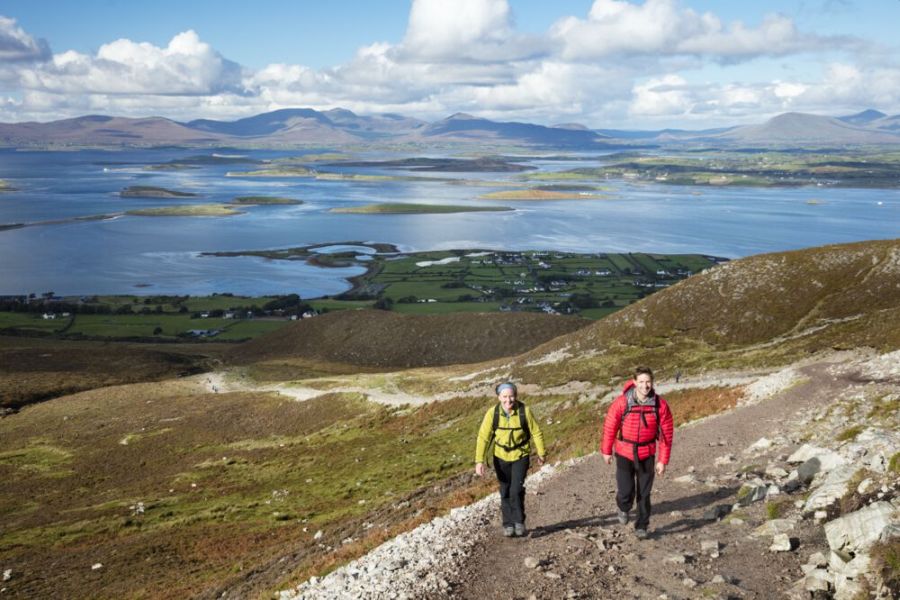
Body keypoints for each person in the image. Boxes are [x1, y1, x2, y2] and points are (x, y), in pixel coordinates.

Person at [601, 366, 674, 540]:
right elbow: (610, 427)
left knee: (644, 493)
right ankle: (623, 507)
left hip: (647, 454)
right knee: (625, 492)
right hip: (624, 452)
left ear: (652, 382)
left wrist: (662, 461)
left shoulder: (660, 405)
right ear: (634, 382)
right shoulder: (622, 402)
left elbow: (666, 435)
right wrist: (606, 450)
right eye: (641, 381)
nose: (645, 385)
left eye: (648, 381)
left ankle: (642, 525)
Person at [475, 382, 546, 537]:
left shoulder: (524, 411)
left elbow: (536, 432)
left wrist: (541, 453)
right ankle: (508, 524)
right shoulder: (492, 413)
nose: (509, 400)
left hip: (520, 456)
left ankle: (519, 521)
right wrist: (479, 460)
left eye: (511, 396)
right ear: (499, 397)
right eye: (505, 397)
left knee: (516, 489)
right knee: (505, 489)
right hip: (500, 457)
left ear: (516, 396)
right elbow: (483, 438)